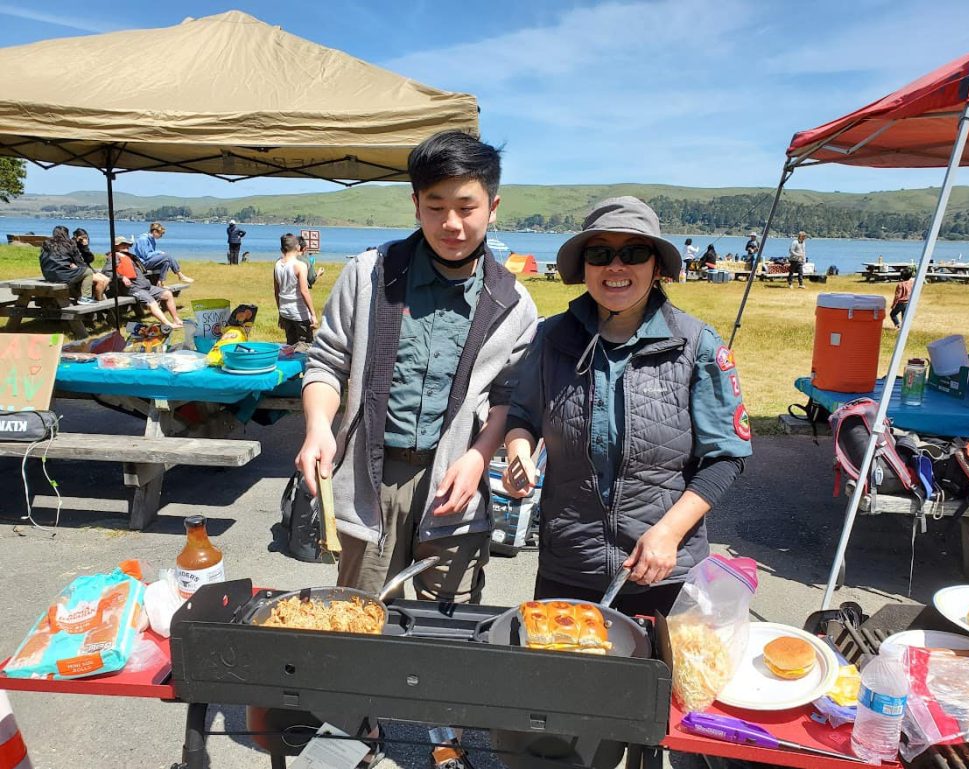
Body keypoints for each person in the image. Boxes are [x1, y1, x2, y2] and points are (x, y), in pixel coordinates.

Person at [295, 130, 538, 765]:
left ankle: (444, 735)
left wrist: (482, 453)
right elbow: (325, 361)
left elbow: (509, 396)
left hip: (453, 478)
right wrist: (319, 426)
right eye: (436, 206)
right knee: (358, 607)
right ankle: (354, 727)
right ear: (414, 204)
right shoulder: (368, 274)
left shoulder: (512, 302)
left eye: (466, 206)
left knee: (449, 613)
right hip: (369, 476)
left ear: (493, 207)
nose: (451, 223)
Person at [501, 196, 752, 618]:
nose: (616, 267)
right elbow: (522, 416)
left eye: (633, 253)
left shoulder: (697, 345)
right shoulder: (550, 338)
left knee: (661, 680)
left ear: (657, 267)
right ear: (585, 267)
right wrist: (518, 452)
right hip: (568, 561)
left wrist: (669, 533)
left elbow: (726, 456)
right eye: (600, 254)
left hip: (664, 569)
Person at [105, 236, 183, 327]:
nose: (126, 246)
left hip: (145, 286)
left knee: (168, 294)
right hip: (134, 288)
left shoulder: (128, 256)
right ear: (116, 246)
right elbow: (106, 272)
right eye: (122, 244)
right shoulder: (114, 257)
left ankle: (176, 319)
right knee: (152, 303)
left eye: (127, 244)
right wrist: (122, 277)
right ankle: (168, 324)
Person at [39, 225, 110, 303]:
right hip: (63, 275)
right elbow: (80, 262)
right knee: (88, 272)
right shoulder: (68, 244)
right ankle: (85, 298)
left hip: (48, 275)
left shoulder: (46, 244)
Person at [274, 233, 317, 344]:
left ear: (282, 248)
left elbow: (276, 292)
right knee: (305, 345)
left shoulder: (277, 265)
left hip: (285, 312)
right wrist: (313, 314)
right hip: (300, 313)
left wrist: (280, 313)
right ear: (298, 247)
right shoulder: (300, 265)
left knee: (290, 345)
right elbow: (304, 291)